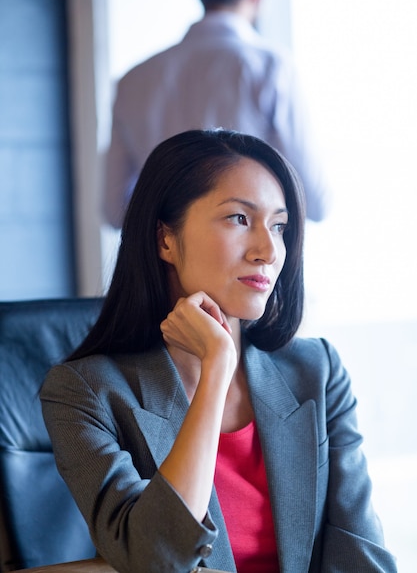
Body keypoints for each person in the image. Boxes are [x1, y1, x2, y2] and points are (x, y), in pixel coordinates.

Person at [41, 129, 396, 573]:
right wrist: (215, 371)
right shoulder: (85, 391)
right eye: (239, 219)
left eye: (279, 226)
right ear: (165, 240)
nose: (268, 250)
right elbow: (154, 559)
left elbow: (361, 554)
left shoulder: (317, 371)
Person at [103, 0, 328, 229]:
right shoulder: (271, 68)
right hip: (249, 261)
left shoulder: (133, 79)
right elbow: (316, 201)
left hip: (164, 263)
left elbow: (114, 209)